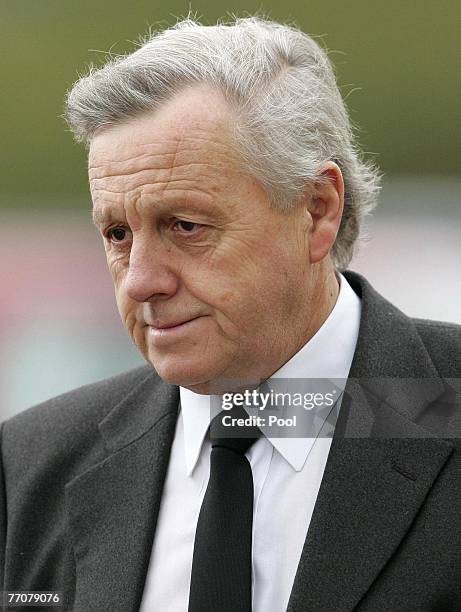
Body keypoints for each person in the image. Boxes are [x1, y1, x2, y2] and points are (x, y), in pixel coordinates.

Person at [1, 16, 460, 612]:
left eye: (185, 226)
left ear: (317, 211)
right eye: (117, 233)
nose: (141, 279)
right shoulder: (30, 464)